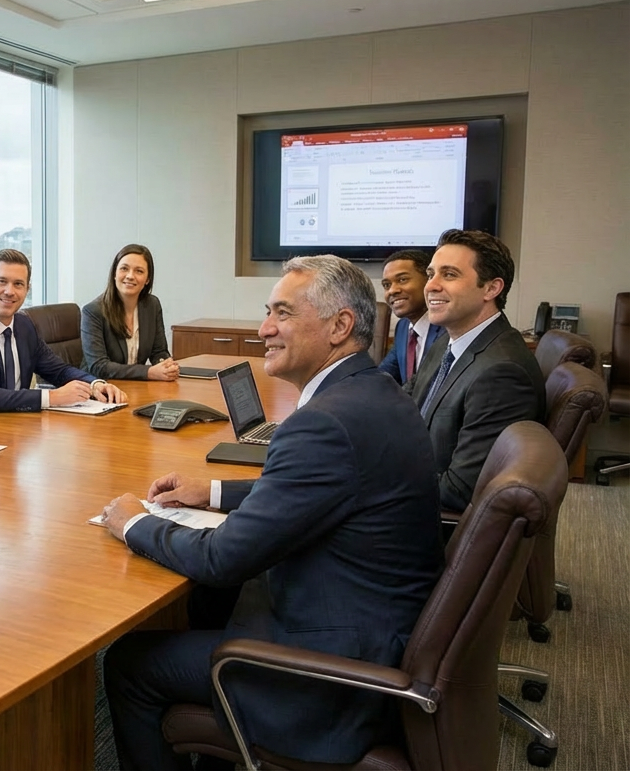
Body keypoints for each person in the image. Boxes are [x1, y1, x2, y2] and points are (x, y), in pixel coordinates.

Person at [99, 255, 443, 770]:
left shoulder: (324, 423)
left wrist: (134, 523)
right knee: (211, 604)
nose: (264, 328)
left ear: (340, 326)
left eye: (282, 313)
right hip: (376, 622)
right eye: (268, 312)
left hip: (333, 673)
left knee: (129, 661)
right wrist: (212, 492)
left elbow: (223, 558)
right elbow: (319, 491)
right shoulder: (371, 393)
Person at [407, 229, 546, 512]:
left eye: (449, 275)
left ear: (491, 288)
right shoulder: (449, 338)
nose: (430, 285)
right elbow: (407, 396)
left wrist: (374, 476)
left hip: (423, 523)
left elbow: (457, 491)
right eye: (431, 273)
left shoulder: (502, 374)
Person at [0, 248, 127, 416]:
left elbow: (58, 370)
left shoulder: (24, 325)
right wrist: (51, 397)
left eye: (18, 284)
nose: (9, 291)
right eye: (2, 281)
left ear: (27, 289)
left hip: (19, 427)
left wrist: (95, 385)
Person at [81, 243, 179, 380]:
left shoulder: (152, 305)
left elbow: (159, 352)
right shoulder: (93, 311)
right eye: (124, 269)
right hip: (101, 390)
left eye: (139, 271)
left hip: (136, 387)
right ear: (115, 273)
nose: (130, 276)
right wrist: (149, 372)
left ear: (147, 279)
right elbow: (99, 366)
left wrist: (165, 365)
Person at [377, 249, 444, 384]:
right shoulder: (403, 326)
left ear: (429, 280)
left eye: (402, 280)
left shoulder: (447, 329)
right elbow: (384, 376)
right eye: (386, 285)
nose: (392, 291)